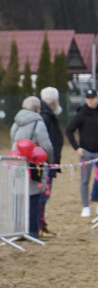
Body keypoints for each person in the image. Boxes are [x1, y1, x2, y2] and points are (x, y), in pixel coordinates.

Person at [10, 96, 54, 239]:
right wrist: (50, 161)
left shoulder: (16, 123)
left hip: (17, 165)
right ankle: (32, 231)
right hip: (33, 165)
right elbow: (46, 146)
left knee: (19, 197)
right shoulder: (38, 123)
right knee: (33, 197)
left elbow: (13, 141)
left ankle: (18, 230)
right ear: (37, 109)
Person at [65, 88, 98, 217]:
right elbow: (69, 130)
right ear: (86, 99)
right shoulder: (81, 113)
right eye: (88, 98)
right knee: (85, 180)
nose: (90, 101)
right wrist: (76, 147)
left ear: (97, 98)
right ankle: (86, 207)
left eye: (93, 98)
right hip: (86, 152)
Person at [38, 87, 64, 237]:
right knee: (43, 194)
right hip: (45, 164)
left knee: (44, 194)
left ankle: (41, 223)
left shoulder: (47, 115)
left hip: (48, 162)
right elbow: (47, 143)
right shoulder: (46, 117)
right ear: (54, 101)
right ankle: (39, 224)